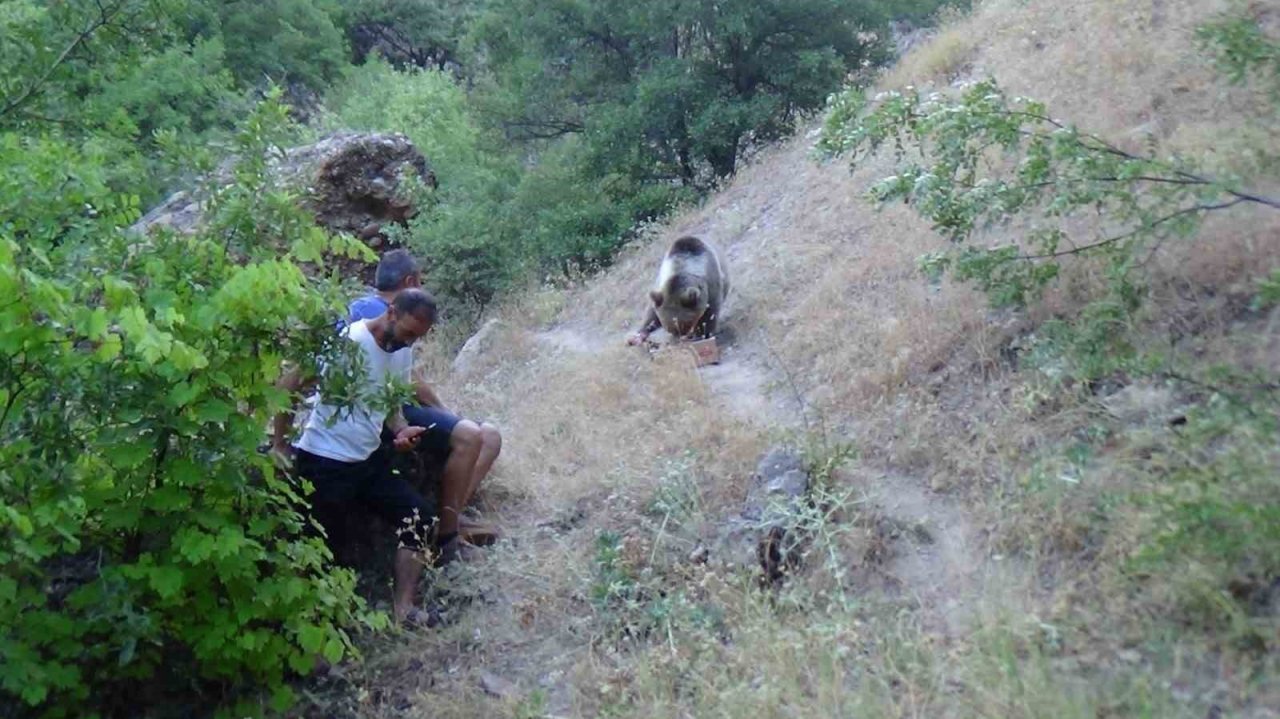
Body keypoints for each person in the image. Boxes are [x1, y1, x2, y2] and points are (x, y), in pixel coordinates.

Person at [271, 289, 466, 624]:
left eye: (417, 338)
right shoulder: (348, 341)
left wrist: (401, 430)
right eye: (407, 333)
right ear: (391, 313)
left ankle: (404, 610)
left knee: (419, 518)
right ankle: (311, 633)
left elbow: (392, 404)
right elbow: (290, 382)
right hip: (324, 461)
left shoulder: (402, 351)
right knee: (323, 549)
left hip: (368, 460)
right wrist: (279, 443)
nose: (409, 342)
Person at [346, 250, 502, 546]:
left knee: (488, 435)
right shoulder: (383, 312)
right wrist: (444, 411)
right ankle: (448, 532)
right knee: (476, 436)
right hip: (387, 409)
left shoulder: (361, 306)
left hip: (384, 405)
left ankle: (451, 518)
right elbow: (406, 379)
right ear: (410, 281)